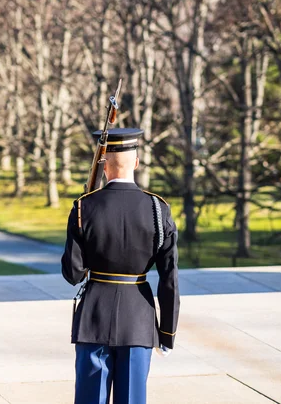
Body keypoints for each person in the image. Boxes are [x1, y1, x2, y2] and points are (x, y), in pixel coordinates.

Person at [61, 128, 180, 404]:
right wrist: (167, 332)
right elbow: (169, 278)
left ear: (103, 166)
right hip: (138, 321)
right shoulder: (157, 209)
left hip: (93, 318)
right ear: (136, 163)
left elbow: (73, 274)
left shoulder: (83, 207)